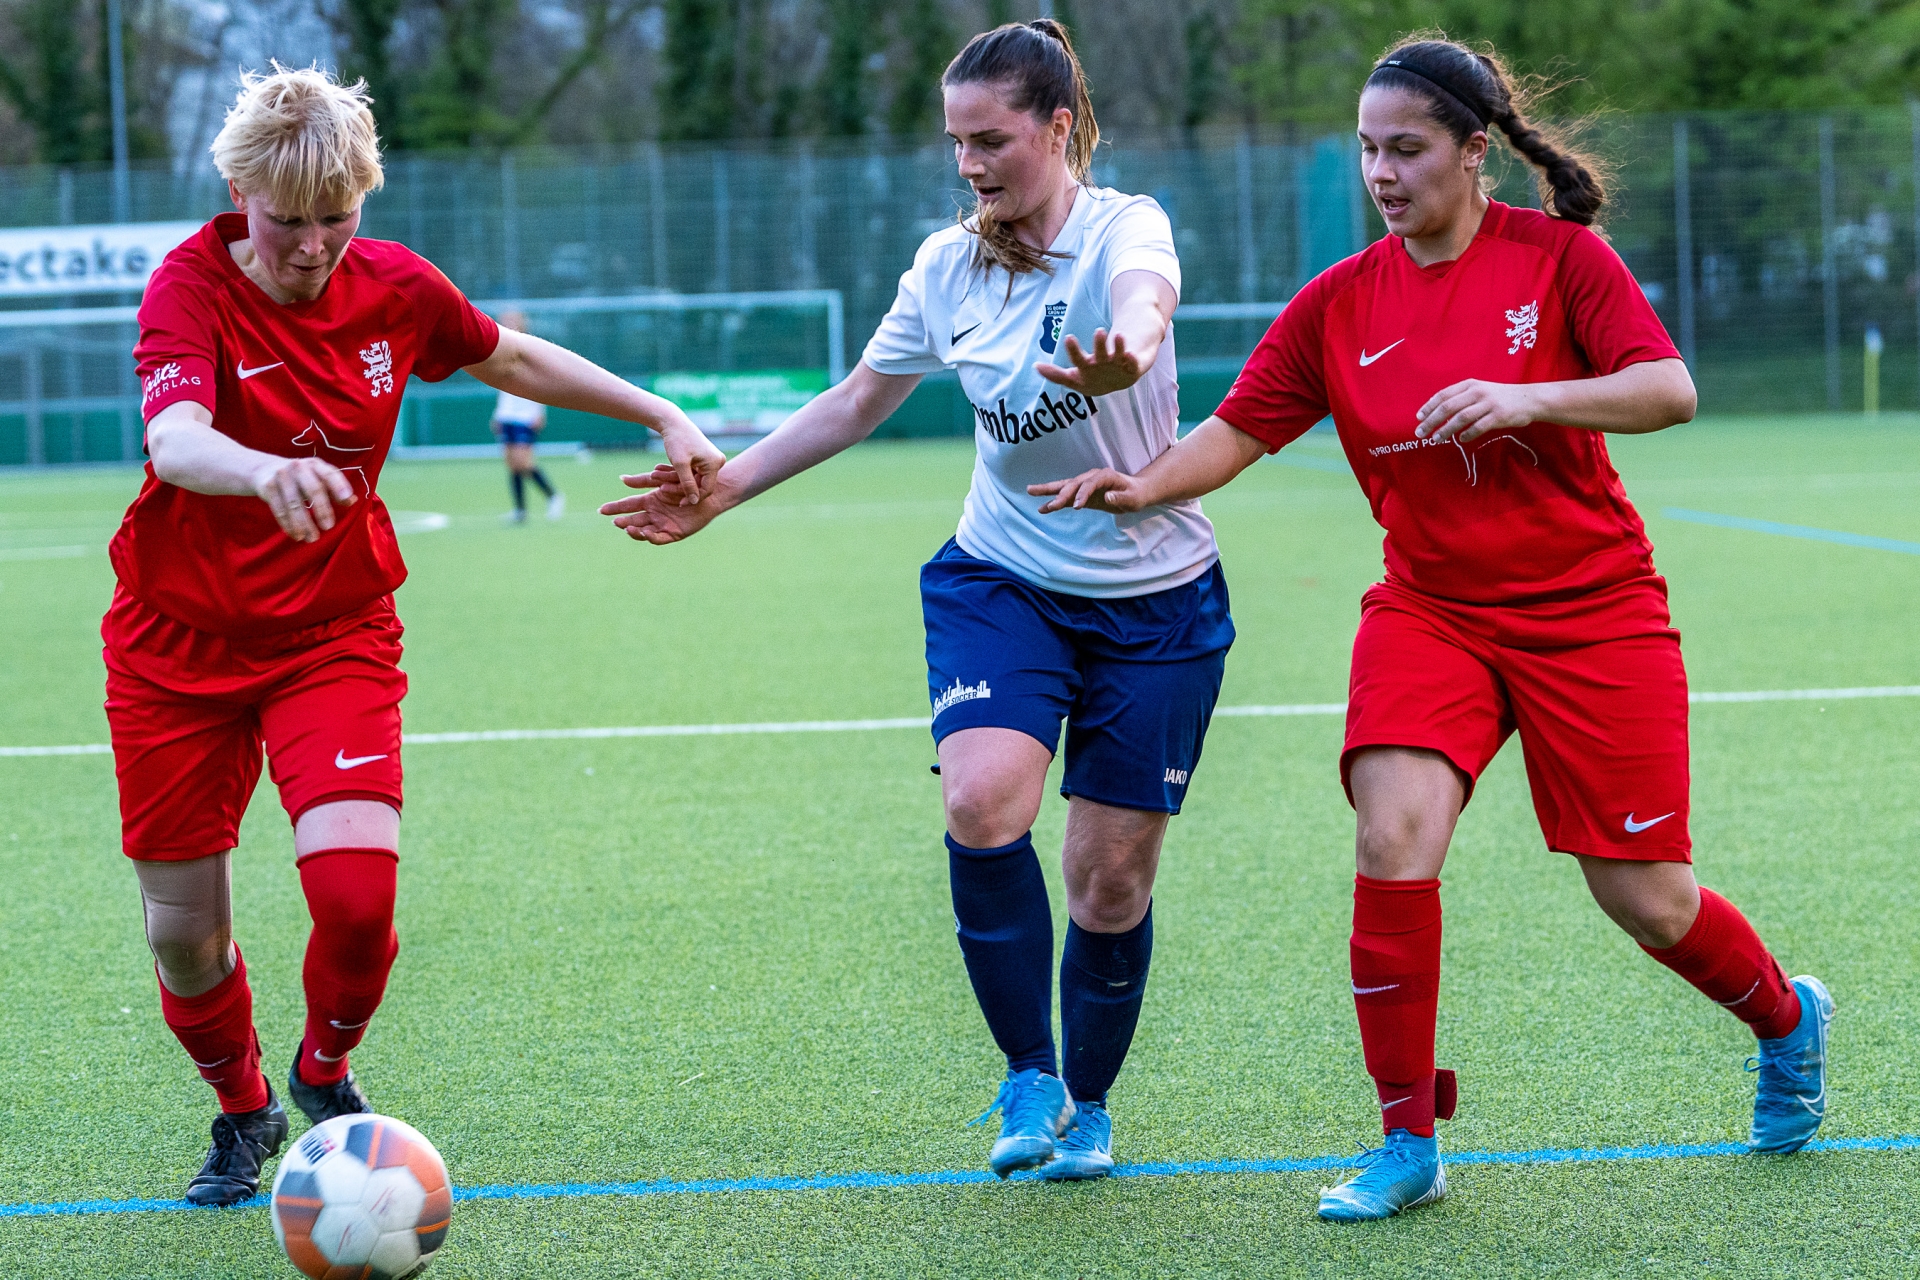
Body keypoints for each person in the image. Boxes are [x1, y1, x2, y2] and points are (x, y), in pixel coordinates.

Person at [1029, 36, 1832, 1221]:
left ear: (1473, 151)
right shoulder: (1341, 303)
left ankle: (1785, 1016)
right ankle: (1407, 1137)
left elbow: (1670, 390)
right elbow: (1241, 429)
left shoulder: (1560, 261)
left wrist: (1529, 396)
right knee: (1392, 835)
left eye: (1405, 149)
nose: (1381, 173)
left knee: (1647, 896)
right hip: (1431, 610)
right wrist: (1143, 484)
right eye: (1367, 150)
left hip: (1593, 611)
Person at [603, 20, 1230, 1181]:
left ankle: (1089, 1103)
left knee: (1109, 877)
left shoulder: (1123, 227)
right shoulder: (947, 268)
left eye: (992, 139)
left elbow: (1149, 300)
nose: (971, 163)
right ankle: (1029, 1070)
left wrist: (1130, 349)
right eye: (956, 142)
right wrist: (724, 489)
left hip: (1158, 600)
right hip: (1004, 577)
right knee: (984, 801)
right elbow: (855, 400)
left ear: (1059, 127)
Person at [113, 65, 722, 1206]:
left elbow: (510, 357)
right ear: (241, 194)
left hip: (332, 629)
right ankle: (243, 1104)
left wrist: (658, 410)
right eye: (288, 221)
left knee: (357, 900)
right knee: (185, 935)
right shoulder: (188, 286)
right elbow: (176, 439)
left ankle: (320, 1068)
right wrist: (262, 470)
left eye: (336, 218)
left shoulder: (394, 284)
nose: (312, 246)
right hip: (174, 644)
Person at [490, 309, 564, 522]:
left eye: (512, 320)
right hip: (507, 416)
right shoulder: (500, 349)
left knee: (523, 463)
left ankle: (553, 496)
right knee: (512, 464)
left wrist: (539, 412)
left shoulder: (529, 348)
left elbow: (540, 383)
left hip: (525, 416)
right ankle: (520, 510)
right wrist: (498, 415)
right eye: (505, 320)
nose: (507, 323)